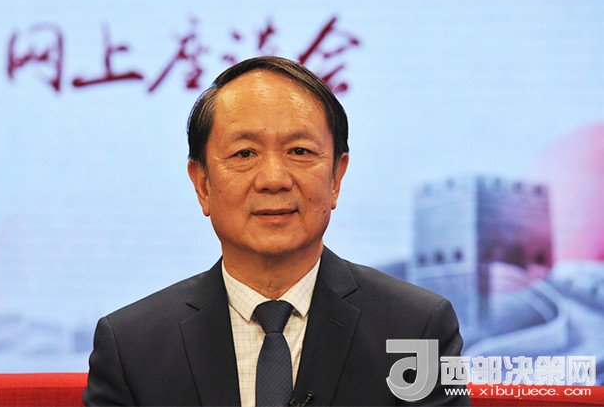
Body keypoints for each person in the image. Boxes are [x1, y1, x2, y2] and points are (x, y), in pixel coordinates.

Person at [83, 56, 469, 406]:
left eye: (299, 151)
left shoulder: (419, 329)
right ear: (202, 184)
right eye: (244, 154)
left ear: (336, 177)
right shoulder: (131, 347)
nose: (273, 179)